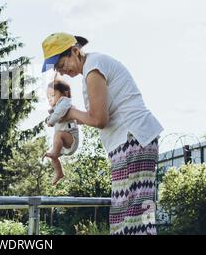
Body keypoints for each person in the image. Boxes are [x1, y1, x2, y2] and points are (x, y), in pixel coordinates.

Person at [41, 32, 163, 235]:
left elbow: (99, 119)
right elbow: (97, 117)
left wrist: (70, 113)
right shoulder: (93, 67)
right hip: (134, 139)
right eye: (58, 69)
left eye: (62, 65)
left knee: (130, 216)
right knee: (137, 214)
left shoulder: (93, 67)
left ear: (74, 51)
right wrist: (71, 117)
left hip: (132, 138)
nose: (63, 71)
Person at [43, 80, 79, 185]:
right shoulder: (55, 109)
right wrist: (48, 119)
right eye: (48, 97)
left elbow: (59, 112)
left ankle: (55, 155)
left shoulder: (65, 101)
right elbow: (52, 116)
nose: (50, 99)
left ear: (65, 93)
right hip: (64, 141)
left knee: (57, 135)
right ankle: (59, 172)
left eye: (53, 95)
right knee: (53, 155)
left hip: (71, 138)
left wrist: (51, 121)